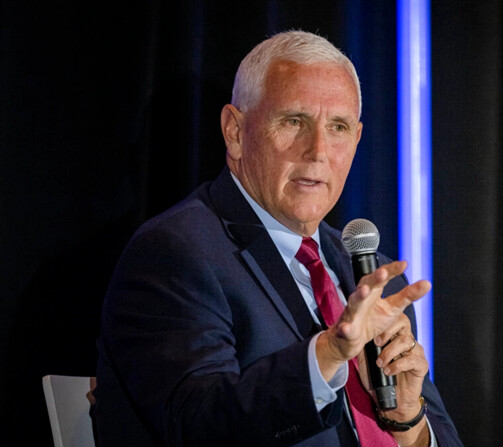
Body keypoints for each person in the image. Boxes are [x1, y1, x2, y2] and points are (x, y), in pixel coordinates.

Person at [94, 30, 463, 447]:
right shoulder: (175, 253)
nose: (318, 150)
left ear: (357, 142)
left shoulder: (373, 277)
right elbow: (198, 427)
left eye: (338, 127)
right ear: (235, 131)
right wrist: (327, 354)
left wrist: (408, 419)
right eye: (294, 121)